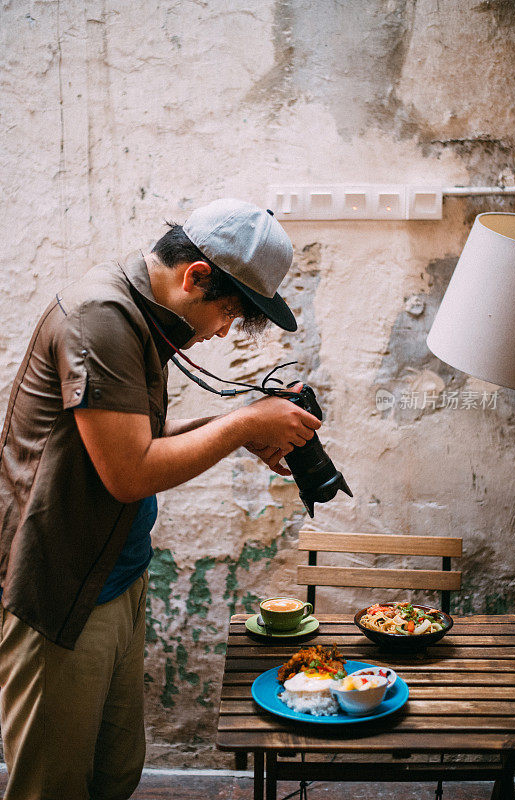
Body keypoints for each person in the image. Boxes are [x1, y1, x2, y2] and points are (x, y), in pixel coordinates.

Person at [0, 199, 320, 799]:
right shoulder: (102, 319)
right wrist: (245, 426)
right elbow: (129, 472)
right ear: (195, 275)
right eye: (228, 312)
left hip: (116, 576)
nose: (224, 330)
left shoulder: (139, 316)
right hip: (63, 584)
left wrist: (242, 424)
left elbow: (132, 441)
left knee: (113, 773)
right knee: (53, 786)